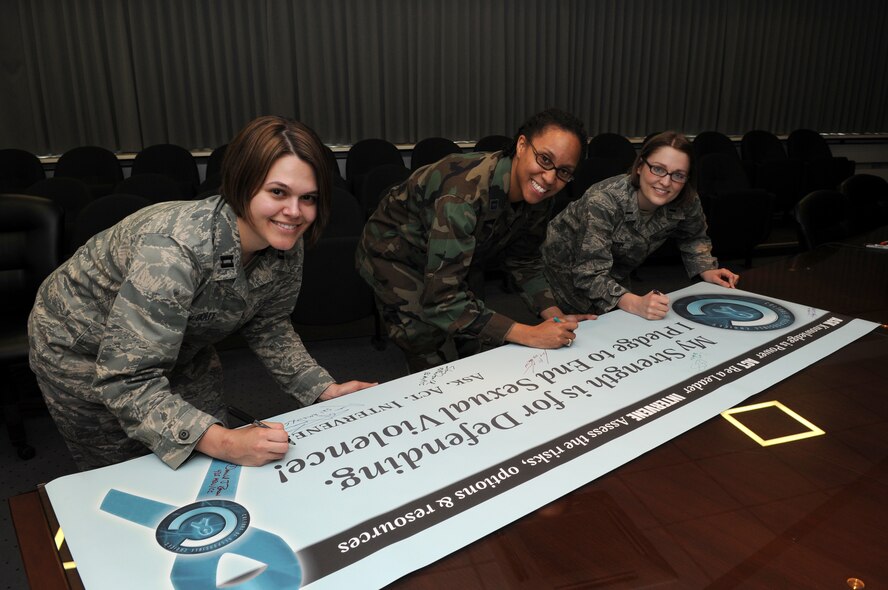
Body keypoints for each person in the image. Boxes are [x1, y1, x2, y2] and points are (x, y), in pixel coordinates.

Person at [28, 115, 375, 471]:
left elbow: (269, 325)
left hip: (181, 346)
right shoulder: (173, 251)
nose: (294, 212)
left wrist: (322, 390)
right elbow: (125, 380)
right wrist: (224, 442)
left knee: (208, 455)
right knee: (132, 472)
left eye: (309, 198)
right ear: (242, 185)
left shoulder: (284, 239)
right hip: (81, 352)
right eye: (278, 192)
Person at [355, 108, 596, 373]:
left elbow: (524, 259)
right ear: (522, 145)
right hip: (395, 254)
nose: (550, 178)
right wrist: (530, 334)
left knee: (471, 339)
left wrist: (553, 313)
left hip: (449, 253)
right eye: (544, 160)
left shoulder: (538, 195)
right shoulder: (463, 195)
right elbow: (442, 301)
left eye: (563, 172)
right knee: (428, 347)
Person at [541, 131, 739, 320]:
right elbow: (588, 274)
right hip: (561, 276)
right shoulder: (603, 201)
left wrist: (706, 269)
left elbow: (694, 237)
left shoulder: (686, 199)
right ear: (639, 167)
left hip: (613, 273)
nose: (666, 182)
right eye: (658, 169)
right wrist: (635, 303)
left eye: (678, 175)